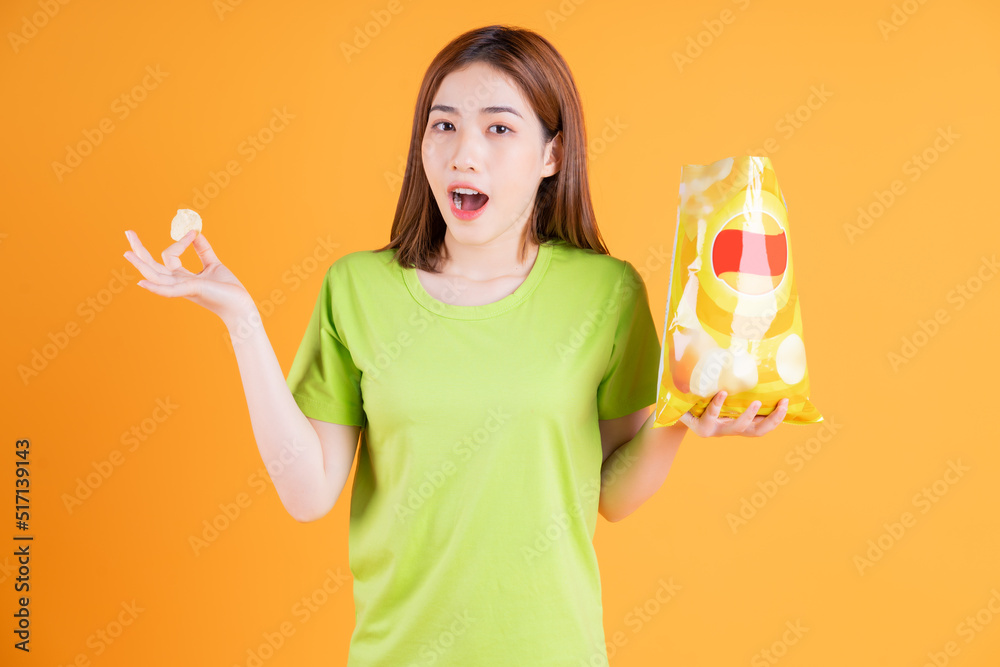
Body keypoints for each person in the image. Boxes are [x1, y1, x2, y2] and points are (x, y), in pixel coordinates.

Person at [123, 24, 788, 667]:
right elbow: (307, 492)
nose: (463, 152)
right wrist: (241, 319)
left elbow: (611, 493)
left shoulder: (606, 293)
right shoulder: (356, 288)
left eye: (499, 128)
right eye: (443, 125)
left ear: (552, 155)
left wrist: (680, 420)